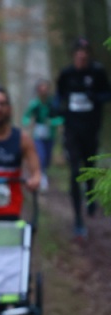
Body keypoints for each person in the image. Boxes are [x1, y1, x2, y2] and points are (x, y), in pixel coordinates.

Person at [56, 36, 111, 237]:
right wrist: (57, 108)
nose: (82, 56)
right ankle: (78, 219)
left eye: (85, 53)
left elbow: (108, 94)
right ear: (74, 55)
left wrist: (95, 97)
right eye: (79, 52)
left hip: (91, 128)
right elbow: (59, 96)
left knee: (89, 166)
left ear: (89, 55)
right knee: (74, 170)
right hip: (72, 129)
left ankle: (90, 196)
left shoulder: (97, 72)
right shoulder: (66, 74)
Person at [22, 79, 62, 192]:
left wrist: (53, 122)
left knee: (48, 157)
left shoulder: (53, 103)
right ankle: (42, 178)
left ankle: (44, 172)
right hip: (38, 135)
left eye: (45, 89)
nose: (43, 92)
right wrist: (28, 122)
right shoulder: (34, 104)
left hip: (50, 135)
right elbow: (26, 117)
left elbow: (61, 118)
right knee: (41, 156)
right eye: (41, 90)